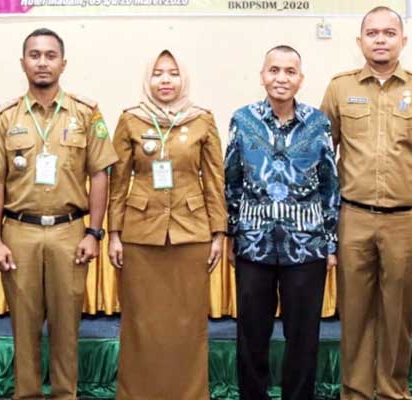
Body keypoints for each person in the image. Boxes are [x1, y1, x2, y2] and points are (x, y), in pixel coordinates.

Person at [0, 28, 118, 400]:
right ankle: (26, 394)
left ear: (63, 63)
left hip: (70, 232)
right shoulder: (5, 117)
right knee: (23, 326)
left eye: (50, 55)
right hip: (18, 233)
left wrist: (95, 232)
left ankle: (64, 394)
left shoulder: (87, 113)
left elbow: (100, 173)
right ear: (23, 62)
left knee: (66, 324)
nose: (42, 62)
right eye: (35, 55)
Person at [107, 49, 227, 400]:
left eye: (173, 73)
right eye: (158, 73)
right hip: (140, 234)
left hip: (192, 233)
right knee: (141, 324)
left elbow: (214, 180)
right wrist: (113, 234)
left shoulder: (202, 119)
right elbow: (118, 181)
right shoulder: (131, 119)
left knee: (188, 325)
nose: (165, 80)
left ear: (183, 79)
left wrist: (219, 232)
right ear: (148, 79)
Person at [225, 45, 340, 400]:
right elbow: (230, 181)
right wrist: (232, 234)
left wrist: (331, 242)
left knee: (303, 336)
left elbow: (329, 185)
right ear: (262, 75)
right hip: (253, 246)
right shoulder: (242, 120)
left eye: (290, 71)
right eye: (274, 70)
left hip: (307, 248)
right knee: (251, 335)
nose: (281, 78)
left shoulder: (318, 122)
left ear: (300, 79)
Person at [320, 6, 412, 399]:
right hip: (353, 216)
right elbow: (323, 154)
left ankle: (392, 390)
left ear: (402, 41)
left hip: (404, 221)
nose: (380, 39)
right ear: (359, 41)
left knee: (399, 315)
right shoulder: (340, 88)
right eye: (372, 33)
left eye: (388, 33)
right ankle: (356, 392)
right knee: (355, 312)